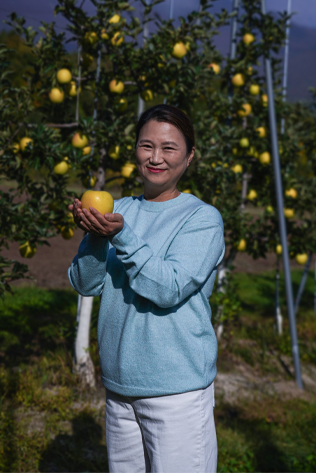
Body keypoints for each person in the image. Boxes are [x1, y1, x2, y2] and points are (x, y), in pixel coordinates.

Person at [68, 104, 225, 473]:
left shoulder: (202, 219)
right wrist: (94, 238)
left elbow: (168, 287)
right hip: (120, 390)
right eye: (146, 145)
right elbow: (86, 283)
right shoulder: (117, 210)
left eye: (169, 148)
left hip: (177, 393)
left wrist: (120, 235)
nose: (156, 158)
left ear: (188, 157)